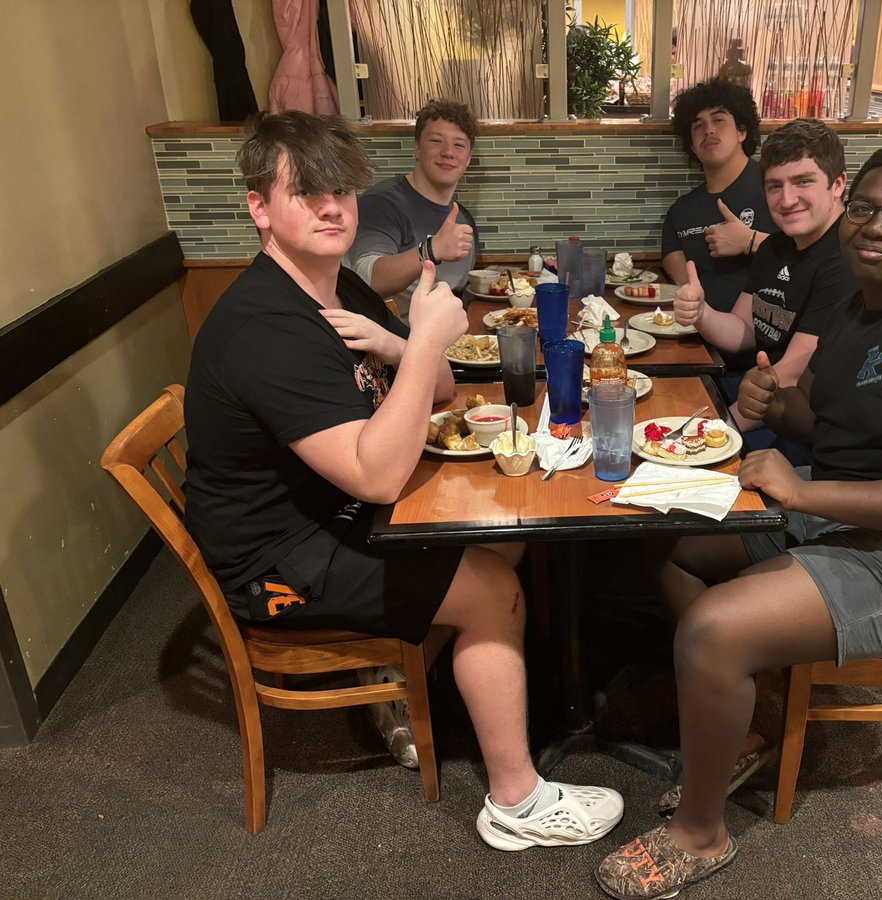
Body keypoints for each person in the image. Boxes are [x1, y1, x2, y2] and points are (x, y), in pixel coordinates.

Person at [595, 142, 882, 899]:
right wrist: (779, 406)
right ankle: (746, 719)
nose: (875, 227)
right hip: (850, 518)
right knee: (671, 549)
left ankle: (701, 834)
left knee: (713, 630)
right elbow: (832, 426)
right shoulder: (860, 306)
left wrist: (805, 493)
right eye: (864, 208)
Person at [185, 111, 622, 853]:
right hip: (280, 559)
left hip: (336, 509)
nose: (332, 208)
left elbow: (444, 386)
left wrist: (399, 342)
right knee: (494, 586)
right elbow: (380, 476)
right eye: (307, 194)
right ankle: (515, 802)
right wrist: (418, 341)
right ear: (260, 207)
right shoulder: (264, 326)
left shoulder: (338, 287)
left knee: (504, 544)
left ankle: (466, 678)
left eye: (342, 193)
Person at [673, 118, 858, 435]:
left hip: (804, 423)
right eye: (775, 186)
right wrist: (701, 313)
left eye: (803, 182)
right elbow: (744, 330)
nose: (786, 200)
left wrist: (711, 433)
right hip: (752, 394)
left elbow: (787, 377)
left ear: (838, 184)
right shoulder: (775, 246)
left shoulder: (846, 260)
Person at [347, 99, 479, 319]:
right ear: (417, 148)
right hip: (395, 345)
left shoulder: (462, 219)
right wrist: (432, 249)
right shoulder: (381, 205)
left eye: (459, 145)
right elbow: (367, 278)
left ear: (468, 158)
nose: (448, 152)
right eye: (436, 141)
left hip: (455, 342)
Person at [661, 78, 776, 317]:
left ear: (742, 131)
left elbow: (815, 257)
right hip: (702, 335)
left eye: (719, 119)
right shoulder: (681, 211)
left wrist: (751, 241)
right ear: (692, 146)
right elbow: (677, 267)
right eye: (698, 126)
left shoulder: (775, 188)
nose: (709, 130)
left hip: (771, 336)